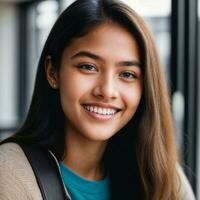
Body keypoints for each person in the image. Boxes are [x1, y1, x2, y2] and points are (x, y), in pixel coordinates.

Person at [0, 0, 196, 199]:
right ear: (53, 72)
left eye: (127, 74)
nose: (107, 91)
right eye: (88, 67)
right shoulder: (10, 173)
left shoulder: (161, 175)